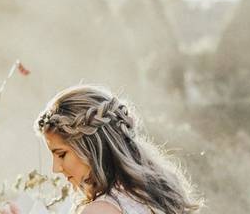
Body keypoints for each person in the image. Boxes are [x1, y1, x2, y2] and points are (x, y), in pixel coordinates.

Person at [34, 84, 202, 214]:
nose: (56, 168)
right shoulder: (155, 195)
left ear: (92, 147)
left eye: (61, 154)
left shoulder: (102, 210)